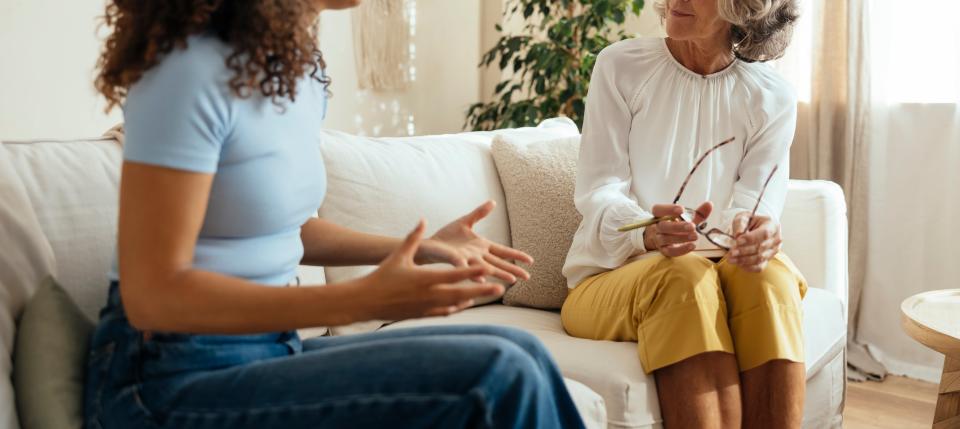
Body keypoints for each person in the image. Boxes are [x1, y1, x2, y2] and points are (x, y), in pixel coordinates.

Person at [84, 1, 585, 428]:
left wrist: (427, 247)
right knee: (500, 373)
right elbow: (153, 296)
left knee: (524, 352)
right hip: (166, 376)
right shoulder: (184, 73)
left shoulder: (296, 75)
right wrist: (356, 300)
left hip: (267, 348)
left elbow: (287, 229)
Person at [560, 0, 806, 428]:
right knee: (683, 276)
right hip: (609, 277)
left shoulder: (773, 96)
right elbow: (599, 190)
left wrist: (757, 234)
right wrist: (647, 233)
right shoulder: (621, 66)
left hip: (716, 270)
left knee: (769, 276)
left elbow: (756, 203)